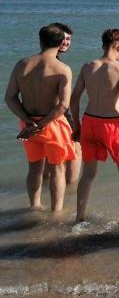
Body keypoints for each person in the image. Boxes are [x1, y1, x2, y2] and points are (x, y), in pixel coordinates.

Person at [72, 29, 119, 223]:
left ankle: (79, 218)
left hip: (89, 122)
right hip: (112, 124)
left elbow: (74, 97)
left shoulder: (87, 66)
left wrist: (76, 125)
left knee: (88, 173)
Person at [4, 25, 75, 211]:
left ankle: (34, 206)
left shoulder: (22, 64)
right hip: (52, 124)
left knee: (34, 168)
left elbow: (10, 98)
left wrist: (28, 122)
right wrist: (41, 125)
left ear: (41, 41)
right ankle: (56, 211)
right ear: (61, 43)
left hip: (27, 123)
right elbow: (63, 106)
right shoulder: (62, 68)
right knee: (57, 170)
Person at [45, 22, 82, 185]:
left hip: (42, 113)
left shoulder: (41, 61)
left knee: (48, 156)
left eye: (69, 40)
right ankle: (70, 190)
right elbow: (63, 102)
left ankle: (47, 185)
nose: (66, 42)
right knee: (76, 149)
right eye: (64, 39)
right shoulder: (59, 65)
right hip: (58, 115)